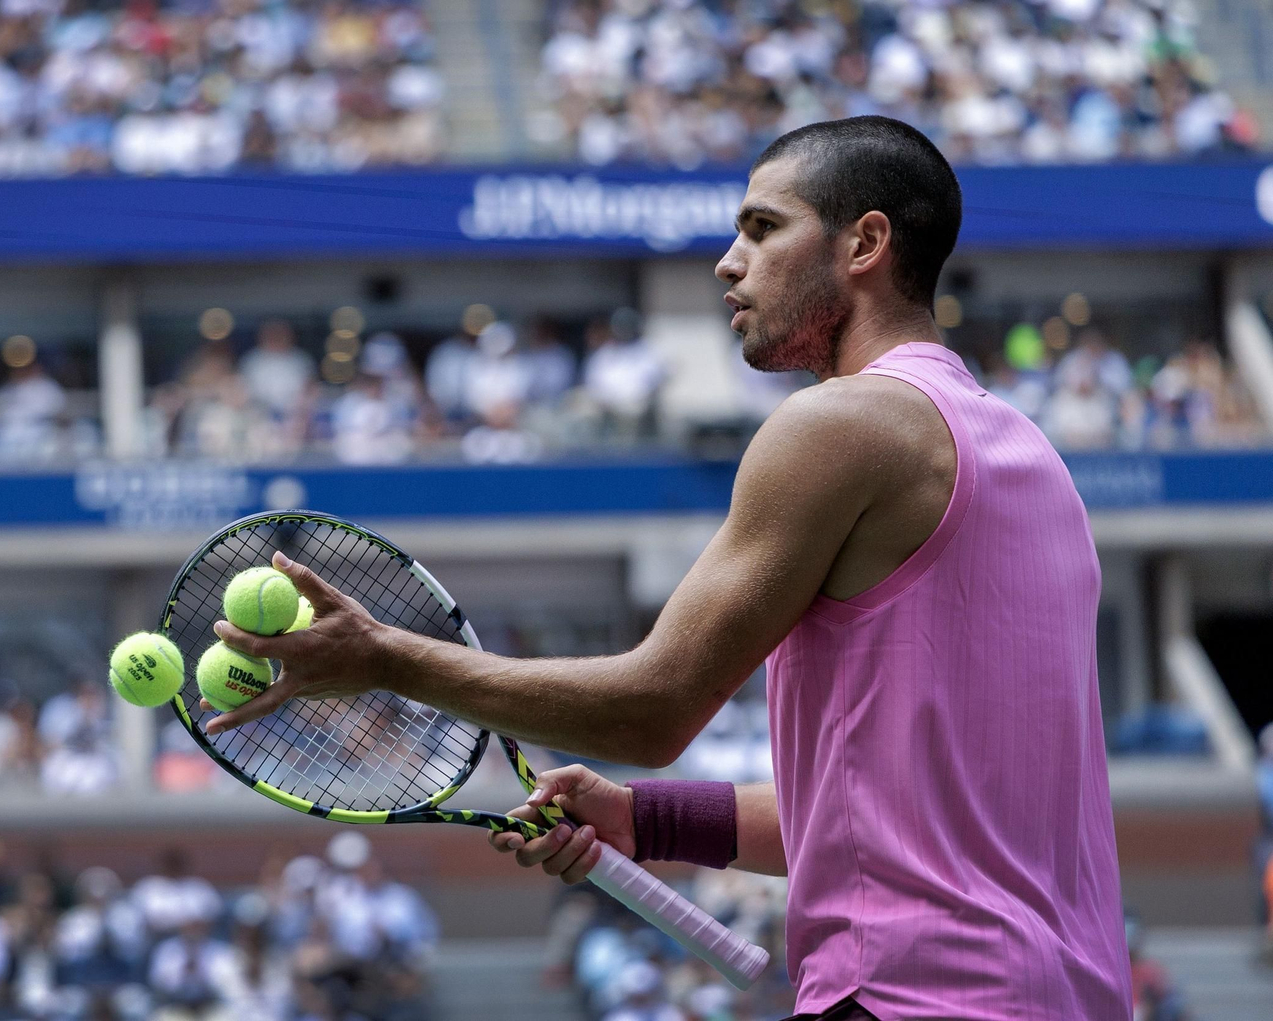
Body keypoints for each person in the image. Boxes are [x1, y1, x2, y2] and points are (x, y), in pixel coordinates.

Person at [204, 116, 1131, 1019]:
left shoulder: (840, 424)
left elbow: (654, 708)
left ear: (865, 244)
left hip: (907, 994)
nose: (729, 262)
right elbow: (868, 820)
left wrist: (384, 659)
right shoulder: (1030, 460)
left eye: (763, 229)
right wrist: (642, 822)